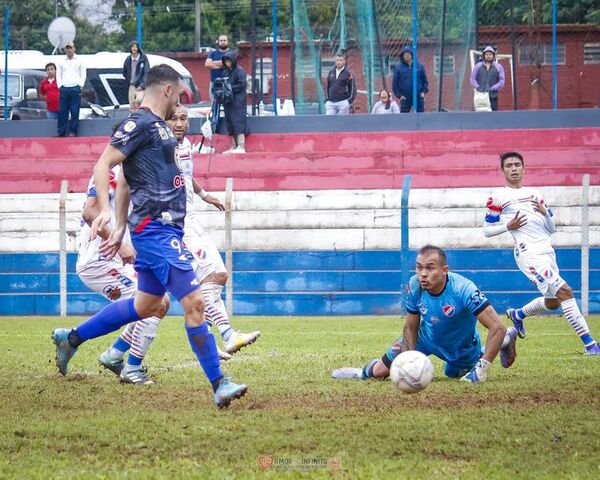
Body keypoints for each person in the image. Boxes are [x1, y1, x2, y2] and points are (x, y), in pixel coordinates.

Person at [51, 64, 248, 409]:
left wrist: (123, 226)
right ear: (168, 90)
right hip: (156, 231)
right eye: (181, 95)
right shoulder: (139, 122)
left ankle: (71, 338)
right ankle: (220, 383)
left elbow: (125, 181)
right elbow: (103, 165)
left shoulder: (157, 129)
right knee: (195, 303)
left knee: (147, 305)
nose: (181, 105)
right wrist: (110, 217)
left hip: (160, 229)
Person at [332, 245, 518, 384]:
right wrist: (408, 359)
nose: (423, 274)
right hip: (426, 338)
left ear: (444, 271)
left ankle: (506, 340)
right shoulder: (414, 285)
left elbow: (497, 327)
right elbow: (410, 327)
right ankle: (360, 372)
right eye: (419, 267)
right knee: (380, 371)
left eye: (429, 268)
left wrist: (482, 369)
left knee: (453, 374)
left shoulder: (464, 289)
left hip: (460, 346)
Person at [485, 152, 600, 355]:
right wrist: (508, 226)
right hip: (528, 254)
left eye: (517, 164)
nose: (513, 168)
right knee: (565, 292)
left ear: (523, 168)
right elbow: (487, 230)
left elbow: (552, 228)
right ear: (502, 170)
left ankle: (518, 314)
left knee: (553, 301)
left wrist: (545, 213)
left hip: (546, 251)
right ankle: (590, 344)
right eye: (509, 165)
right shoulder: (498, 197)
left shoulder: (536, 194)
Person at [168, 105, 260, 354]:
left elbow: (187, 176)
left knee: (209, 282)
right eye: (173, 119)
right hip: (176, 223)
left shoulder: (186, 146)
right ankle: (221, 337)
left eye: (183, 119)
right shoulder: (161, 147)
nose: (178, 123)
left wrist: (205, 195)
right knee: (216, 275)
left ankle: (221, 338)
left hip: (190, 218)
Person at [76, 165, 169, 384]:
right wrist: (118, 245)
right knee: (156, 303)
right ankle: (130, 366)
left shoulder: (141, 175)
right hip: (100, 259)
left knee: (159, 303)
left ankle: (114, 355)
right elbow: (90, 213)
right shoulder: (109, 174)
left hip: (119, 258)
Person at [56, 41, 86, 137]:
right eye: (67, 48)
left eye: (70, 48)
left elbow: (83, 74)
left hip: (75, 88)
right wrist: (60, 86)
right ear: (65, 49)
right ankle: (61, 132)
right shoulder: (61, 61)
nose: (69, 50)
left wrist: (80, 86)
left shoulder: (80, 60)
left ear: (74, 48)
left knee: (75, 111)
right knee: (62, 111)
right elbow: (58, 74)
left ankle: (73, 131)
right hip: (64, 88)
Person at [220, 52, 247, 154]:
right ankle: (234, 146)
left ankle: (241, 145)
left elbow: (241, 85)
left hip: (238, 101)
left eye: (229, 60)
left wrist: (229, 88)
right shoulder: (225, 73)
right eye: (226, 61)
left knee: (238, 122)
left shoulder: (240, 71)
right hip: (228, 101)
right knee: (230, 123)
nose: (227, 63)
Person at [392, 46, 428, 113]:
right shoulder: (398, 68)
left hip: (418, 96)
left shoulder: (420, 66)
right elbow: (395, 84)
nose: (406, 56)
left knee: (420, 117)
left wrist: (423, 92)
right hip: (405, 97)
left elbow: (425, 81)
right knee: (404, 117)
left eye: (408, 54)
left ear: (412, 55)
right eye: (404, 54)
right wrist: (399, 96)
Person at [470, 46, 505, 112]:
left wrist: (493, 88)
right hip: (480, 96)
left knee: (493, 114)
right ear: (484, 55)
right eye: (486, 54)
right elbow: (472, 78)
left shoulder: (498, 67)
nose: (488, 56)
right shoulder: (478, 66)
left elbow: (501, 81)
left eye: (490, 54)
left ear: (493, 56)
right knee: (479, 113)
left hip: (493, 96)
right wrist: (478, 87)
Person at [204, 34, 234, 101]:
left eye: (224, 40)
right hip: (214, 83)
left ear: (228, 42)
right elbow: (207, 64)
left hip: (228, 83)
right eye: (221, 40)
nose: (222, 42)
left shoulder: (232, 53)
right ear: (218, 42)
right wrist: (223, 65)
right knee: (214, 104)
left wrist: (214, 63)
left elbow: (229, 65)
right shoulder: (213, 53)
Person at [122, 41, 149, 111]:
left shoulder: (143, 58)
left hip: (141, 86)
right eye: (132, 47)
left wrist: (142, 85)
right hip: (131, 85)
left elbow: (147, 73)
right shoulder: (128, 59)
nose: (134, 48)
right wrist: (129, 80)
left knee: (139, 101)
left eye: (136, 47)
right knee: (132, 106)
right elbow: (124, 72)